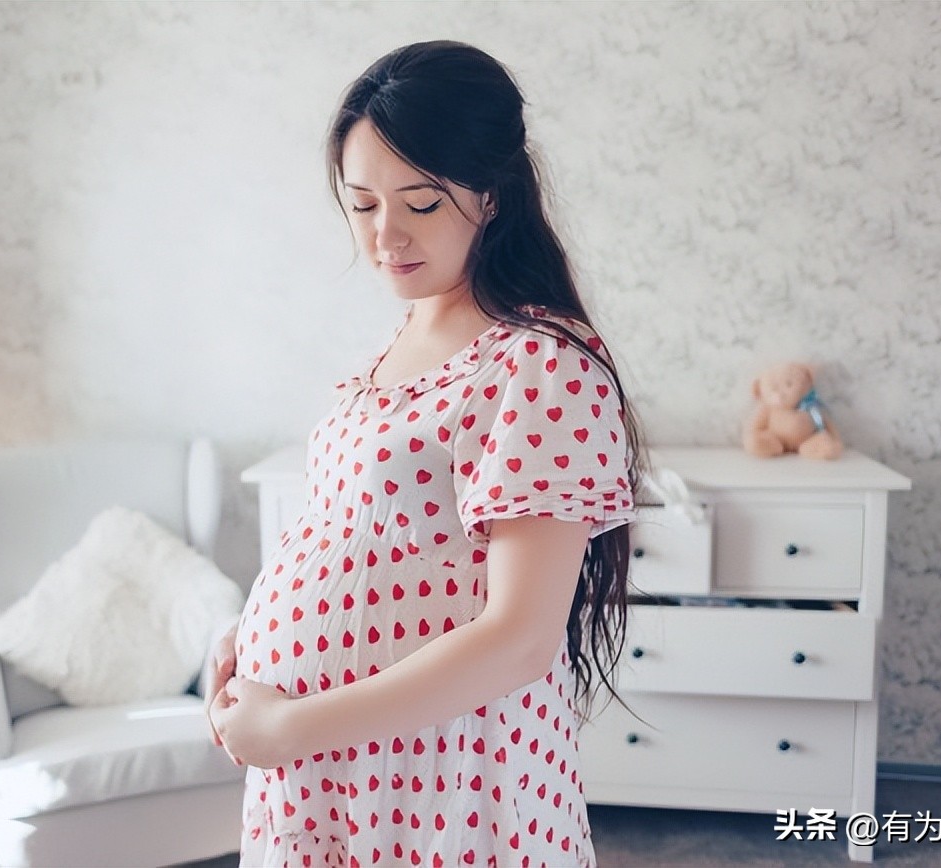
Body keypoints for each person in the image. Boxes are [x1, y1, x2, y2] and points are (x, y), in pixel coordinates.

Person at [207, 40, 644, 868]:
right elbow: (363, 536)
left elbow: (520, 637)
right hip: (335, 759)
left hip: (437, 777)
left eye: (421, 203)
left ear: (493, 193)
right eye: (362, 204)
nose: (385, 236)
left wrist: (291, 723)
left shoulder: (540, 363)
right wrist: (251, 630)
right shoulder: (412, 331)